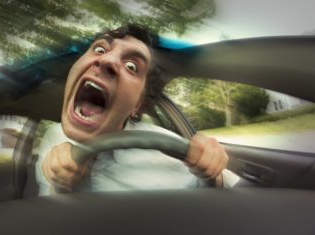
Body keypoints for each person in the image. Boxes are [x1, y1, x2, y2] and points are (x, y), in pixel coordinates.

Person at [35, 25, 231, 195]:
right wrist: (60, 185)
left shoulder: (170, 153)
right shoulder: (53, 136)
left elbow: (213, 194)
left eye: (131, 66)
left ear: (137, 105)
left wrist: (211, 169)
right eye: (100, 49)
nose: (107, 60)